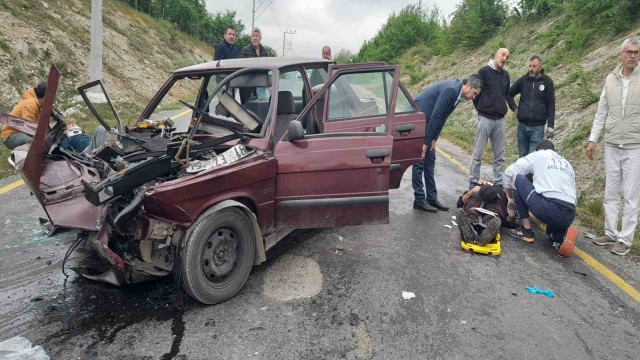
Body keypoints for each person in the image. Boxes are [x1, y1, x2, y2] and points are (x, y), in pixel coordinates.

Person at [586, 36, 640, 256]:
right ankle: (610, 232)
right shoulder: (610, 79)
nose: (633, 56)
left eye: (637, 52)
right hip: (612, 144)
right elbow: (601, 112)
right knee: (611, 191)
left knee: (631, 195)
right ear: (621, 54)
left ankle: (625, 240)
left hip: (634, 145)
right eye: (630, 52)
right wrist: (593, 139)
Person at [412, 75, 483, 212]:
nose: (474, 97)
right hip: (420, 120)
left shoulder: (458, 94)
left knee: (430, 161)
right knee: (419, 161)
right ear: (467, 86)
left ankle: (431, 198)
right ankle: (419, 200)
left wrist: (434, 139)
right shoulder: (451, 90)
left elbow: (442, 117)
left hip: (429, 123)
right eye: (474, 93)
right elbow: (436, 115)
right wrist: (425, 143)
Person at [504, 140, 578, 256]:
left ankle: (526, 230)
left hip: (548, 207)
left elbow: (510, 172)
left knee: (518, 178)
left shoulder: (539, 154)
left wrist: (510, 198)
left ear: (539, 150)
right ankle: (560, 237)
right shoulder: (567, 164)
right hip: (569, 214)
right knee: (550, 230)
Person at [469, 48, 517, 189]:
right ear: (496, 55)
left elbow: (506, 95)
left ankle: (498, 183)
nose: (504, 58)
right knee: (478, 152)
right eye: (502, 55)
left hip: (500, 120)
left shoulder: (505, 75)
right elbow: (475, 93)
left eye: (507, 57)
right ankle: (473, 181)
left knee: (499, 156)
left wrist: (513, 108)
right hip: (485, 118)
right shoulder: (484, 71)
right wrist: (481, 108)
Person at [509, 55, 556, 157]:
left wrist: (550, 125)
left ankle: (531, 174)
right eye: (529, 66)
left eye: (534, 66)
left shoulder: (547, 82)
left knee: (533, 157)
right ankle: (523, 174)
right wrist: (514, 108)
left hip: (538, 128)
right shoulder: (523, 80)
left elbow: (551, 104)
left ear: (540, 68)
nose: (531, 69)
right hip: (522, 126)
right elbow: (509, 94)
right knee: (522, 156)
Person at [2, 83, 46, 149]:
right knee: (34, 143)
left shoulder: (37, 104)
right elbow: (29, 127)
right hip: (11, 135)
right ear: (46, 97)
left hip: (21, 134)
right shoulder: (31, 104)